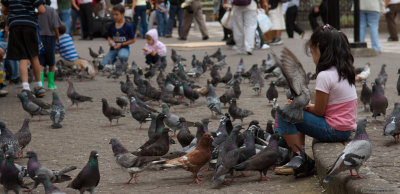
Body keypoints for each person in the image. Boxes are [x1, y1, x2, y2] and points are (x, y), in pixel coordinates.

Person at [274, 24, 356, 175]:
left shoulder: (324, 76)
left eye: (312, 52)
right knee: (294, 112)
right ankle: (298, 157)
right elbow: (327, 107)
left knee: (284, 114)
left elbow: (319, 111)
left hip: (333, 130)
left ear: (319, 48)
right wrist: (303, 107)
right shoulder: (345, 71)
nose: (312, 58)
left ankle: (300, 159)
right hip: (346, 129)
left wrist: (301, 107)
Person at [1, 0, 47, 97]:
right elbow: (42, 10)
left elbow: (3, 9)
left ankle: (26, 88)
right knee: (34, 56)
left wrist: (13, 12)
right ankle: (39, 86)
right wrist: (33, 14)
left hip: (15, 26)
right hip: (29, 25)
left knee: (23, 57)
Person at [38, 3, 62, 90]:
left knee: (40, 61)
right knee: (51, 61)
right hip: (50, 37)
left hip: (39, 37)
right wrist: (58, 36)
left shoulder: (35, 10)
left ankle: (40, 84)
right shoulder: (51, 10)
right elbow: (56, 25)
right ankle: (51, 84)